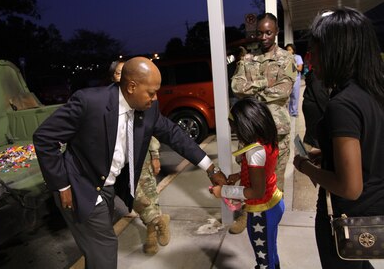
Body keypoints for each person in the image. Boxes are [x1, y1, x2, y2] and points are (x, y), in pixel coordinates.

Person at [33, 56, 227, 269]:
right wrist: (62, 185)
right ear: (132, 87)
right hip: (80, 185)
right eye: (151, 93)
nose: (155, 99)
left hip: (107, 186)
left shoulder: (149, 109)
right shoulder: (90, 102)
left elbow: (175, 136)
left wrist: (210, 167)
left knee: (96, 251)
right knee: (105, 249)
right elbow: (44, 137)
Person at [293, 7, 384, 269]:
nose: (311, 61)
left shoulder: (342, 104)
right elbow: (370, 145)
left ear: (337, 51)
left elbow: (349, 186)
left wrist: (306, 167)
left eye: (316, 52)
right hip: (372, 212)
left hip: (347, 220)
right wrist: (328, 154)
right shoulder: (372, 92)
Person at [211, 97, 285, 269]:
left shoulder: (254, 152)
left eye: (234, 127)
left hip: (262, 211)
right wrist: (239, 175)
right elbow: (262, 172)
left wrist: (223, 191)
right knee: (270, 250)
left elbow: (256, 192)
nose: (234, 131)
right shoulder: (266, 142)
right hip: (274, 202)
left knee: (263, 259)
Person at [231, 13, 296, 193]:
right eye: (260, 33)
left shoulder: (286, 58)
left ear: (276, 31)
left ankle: (273, 220)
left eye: (268, 32)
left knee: (275, 183)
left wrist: (252, 91)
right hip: (250, 131)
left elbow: (284, 90)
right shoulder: (248, 58)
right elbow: (237, 87)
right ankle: (250, 218)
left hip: (277, 131)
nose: (264, 37)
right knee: (250, 180)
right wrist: (266, 84)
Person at [111, 59, 170, 255]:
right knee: (137, 198)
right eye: (118, 73)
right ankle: (158, 221)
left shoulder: (144, 101)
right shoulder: (112, 102)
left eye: (123, 72)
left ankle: (151, 235)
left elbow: (153, 130)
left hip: (142, 156)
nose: (121, 75)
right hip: (123, 162)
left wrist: (155, 154)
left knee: (150, 195)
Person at [302, 70, 328, 150]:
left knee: (311, 135)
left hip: (312, 104)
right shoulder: (318, 73)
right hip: (315, 107)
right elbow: (320, 94)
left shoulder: (316, 72)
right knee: (313, 137)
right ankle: (302, 157)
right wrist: (328, 110)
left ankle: (302, 156)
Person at [285, 43, 303, 117]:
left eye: (290, 49)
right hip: (287, 78)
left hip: (296, 79)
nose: (288, 51)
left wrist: (292, 64)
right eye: (287, 50)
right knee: (287, 96)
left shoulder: (298, 57)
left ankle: (294, 112)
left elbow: (300, 68)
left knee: (295, 96)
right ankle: (287, 112)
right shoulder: (285, 58)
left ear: (293, 50)